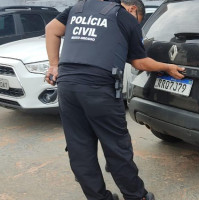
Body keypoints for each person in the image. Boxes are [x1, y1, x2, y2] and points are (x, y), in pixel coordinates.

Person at [45, 0, 185, 199]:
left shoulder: (78, 8)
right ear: (133, 9)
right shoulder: (125, 18)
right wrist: (167, 67)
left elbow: (51, 29)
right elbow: (139, 61)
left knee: (80, 148)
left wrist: (53, 65)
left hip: (67, 87)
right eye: (139, 20)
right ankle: (137, 196)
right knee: (117, 147)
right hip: (100, 89)